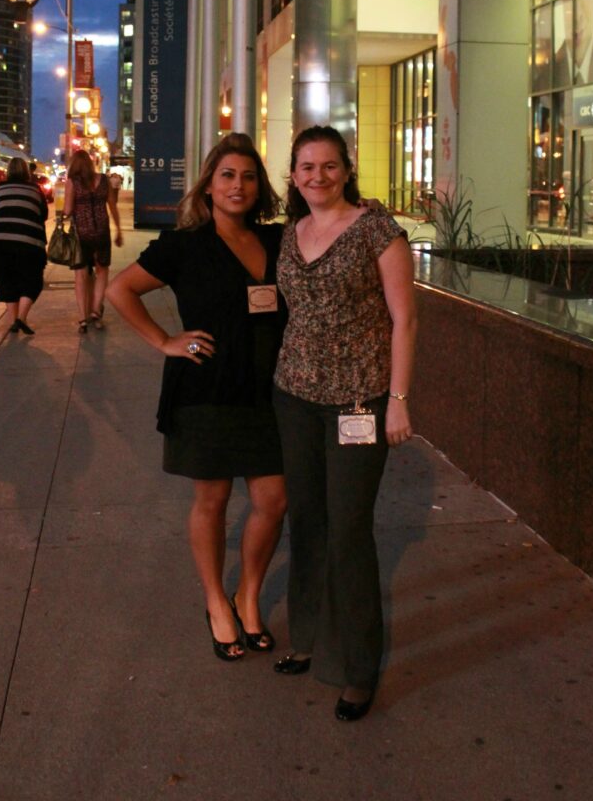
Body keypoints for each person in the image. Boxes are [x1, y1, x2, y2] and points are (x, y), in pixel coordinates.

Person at [106, 133, 288, 662]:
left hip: (267, 390)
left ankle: (248, 594)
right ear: (209, 185)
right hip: (206, 386)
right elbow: (121, 290)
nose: (238, 185)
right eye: (228, 175)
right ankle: (215, 601)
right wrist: (165, 341)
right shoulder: (183, 245)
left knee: (273, 501)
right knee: (212, 500)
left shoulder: (277, 242)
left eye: (249, 177)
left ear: (259, 187)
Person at [271, 125, 417, 723]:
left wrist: (399, 400)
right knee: (306, 520)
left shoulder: (378, 231)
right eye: (307, 167)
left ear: (346, 169)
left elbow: (405, 321)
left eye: (328, 166)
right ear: (294, 174)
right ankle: (306, 637)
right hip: (295, 395)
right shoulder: (291, 232)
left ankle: (358, 668)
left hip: (358, 400)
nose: (317, 177)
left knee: (349, 530)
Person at [63, 150, 123, 333]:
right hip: (101, 233)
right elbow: (112, 206)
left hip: (81, 234)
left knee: (80, 276)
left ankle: (82, 318)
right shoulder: (104, 180)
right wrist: (119, 230)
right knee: (102, 271)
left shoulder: (73, 182)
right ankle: (96, 310)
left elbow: (67, 210)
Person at [0, 157, 49, 335]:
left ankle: (14, 321)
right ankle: (21, 318)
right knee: (33, 279)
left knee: (7, 279)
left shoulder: (0, 188)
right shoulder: (35, 189)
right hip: (28, 240)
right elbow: (43, 214)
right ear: (26, 172)